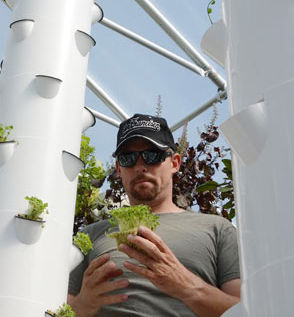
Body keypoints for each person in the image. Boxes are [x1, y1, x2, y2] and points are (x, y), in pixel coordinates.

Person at [68, 114, 241, 317]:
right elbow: (54, 310)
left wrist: (186, 286)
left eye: (153, 155)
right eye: (128, 158)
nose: (140, 166)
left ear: (175, 163)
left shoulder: (218, 229)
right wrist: (83, 306)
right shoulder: (89, 236)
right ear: (119, 169)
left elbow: (249, 311)